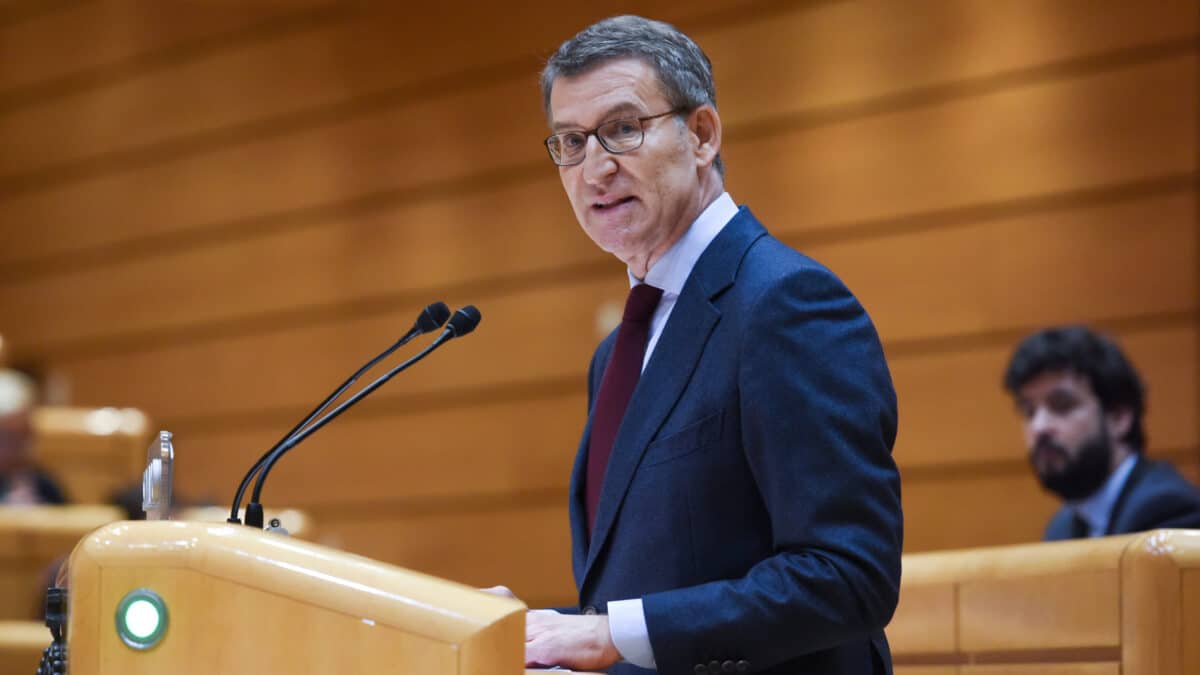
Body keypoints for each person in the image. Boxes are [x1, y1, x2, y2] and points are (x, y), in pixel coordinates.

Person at [487, 16, 903, 675]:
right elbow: (650, 596)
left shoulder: (785, 304)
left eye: (622, 128)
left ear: (702, 134)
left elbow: (848, 575)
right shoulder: (617, 351)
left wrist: (606, 635)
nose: (594, 168)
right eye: (570, 141)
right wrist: (532, 631)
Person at [1003, 325, 1200, 540]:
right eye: (1029, 411)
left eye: (1061, 405)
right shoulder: (1061, 527)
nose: (1039, 427)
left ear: (1118, 417)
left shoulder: (1167, 512)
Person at [0, 368, 68, 505]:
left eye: (24, 436)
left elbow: (69, 519)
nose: (20, 448)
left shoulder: (42, 483)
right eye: (9, 437)